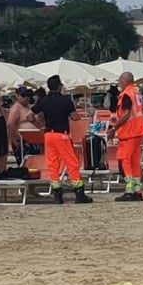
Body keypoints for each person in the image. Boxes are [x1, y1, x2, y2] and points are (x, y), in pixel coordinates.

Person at [30, 75, 92, 204]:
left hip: (48, 135)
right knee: (72, 163)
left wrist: (40, 127)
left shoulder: (44, 100)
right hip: (61, 135)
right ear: (59, 86)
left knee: (53, 165)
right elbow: (75, 117)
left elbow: (29, 116)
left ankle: (57, 195)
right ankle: (79, 193)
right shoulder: (65, 100)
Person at [108, 71, 143, 202]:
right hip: (138, 132)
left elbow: (126, 115)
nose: (120, 84)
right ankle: (138, 191)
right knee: (135, 162)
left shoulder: (126, 95)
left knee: (125, 160)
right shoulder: (137, 93)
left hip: (129, 133)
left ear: (124, 81)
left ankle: (129, 190)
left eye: (120, 82)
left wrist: (114, 129)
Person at [7, 87, 35, 167]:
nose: (26, 98)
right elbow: (10, 124)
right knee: (25, 163)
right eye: (23, 95)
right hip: (21, 141)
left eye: (28, 95)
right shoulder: (16, 108)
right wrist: (14, 140)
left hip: (33, 141)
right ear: (17, 96)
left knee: (33, 162)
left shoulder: (29, 107)